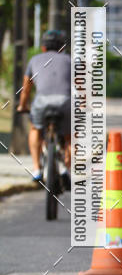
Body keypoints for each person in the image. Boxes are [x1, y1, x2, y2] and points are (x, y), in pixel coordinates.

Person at [17, 28, 71, 184]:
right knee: (70, 137)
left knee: (35, 129)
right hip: (65, 102)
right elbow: (81, 87)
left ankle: (37, 169)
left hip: (42, 102)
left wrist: (22, 106)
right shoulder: (69, 60)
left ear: (43, 47)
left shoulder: (34, 60)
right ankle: (66, 170)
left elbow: (26, 89)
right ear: (62, 48)